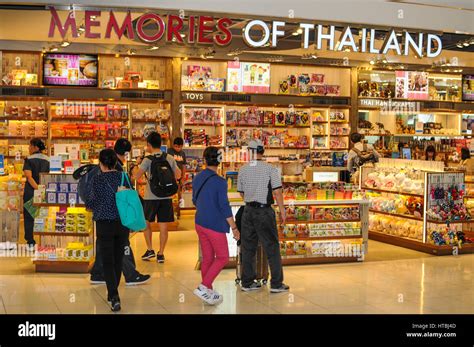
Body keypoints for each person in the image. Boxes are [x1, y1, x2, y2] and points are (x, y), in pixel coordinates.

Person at [89, 139, 150, 286]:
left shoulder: (99, 173)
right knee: (122, 244)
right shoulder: (119, 172)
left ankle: (98, 273)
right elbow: (128, 193)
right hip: (118, 215)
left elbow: (92, 198)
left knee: (103, 243)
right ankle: (130, 275)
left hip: (102, 217)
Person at [237, 139, 289, 293]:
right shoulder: (271, 169)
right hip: (264, 212)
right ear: (262, 151)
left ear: (250, 152)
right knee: (271, 247)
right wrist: (282, 210)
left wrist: (250, 199)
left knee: (248, 247)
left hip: (248, 211)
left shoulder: (243, 169)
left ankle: (247, 282)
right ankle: (276, 284)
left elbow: (241, 192)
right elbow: (278, 192)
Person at [192, 146, 240, 305]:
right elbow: (224, 206)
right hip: (214, 225)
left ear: (204, 160)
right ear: (220, 161)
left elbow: (194, 200)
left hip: (200, 222)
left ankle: (208, 290)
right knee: (222, 257)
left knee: (207, 257)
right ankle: (204, 286)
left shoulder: (198, 177)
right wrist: (234, 227)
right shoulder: (220, 182)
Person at [85, 149, 131, 312]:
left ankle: (114, 295)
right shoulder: (124, 177)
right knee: (118, 258)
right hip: (122, 223)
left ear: (101, 163)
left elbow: (89, 204)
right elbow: (131, 198)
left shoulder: (96, 180)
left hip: (104, 224)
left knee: (107, 260)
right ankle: (114, 292)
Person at [133, 132, 181, 263]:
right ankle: (161, 253)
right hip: (166, 197)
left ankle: (150, 250)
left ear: (148, 144)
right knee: (163, 227)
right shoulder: (169, 157)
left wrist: (137, 165)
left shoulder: (147, 160)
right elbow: (178, 174)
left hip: (150, 197)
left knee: (146, 223)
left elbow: (136, 177)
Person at [23, 138, 50, 248]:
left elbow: (29, 177)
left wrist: (36, 188)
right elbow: (48, 176)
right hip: (43, 190)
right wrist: (41, 189)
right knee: (42, 216)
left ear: (35, 147)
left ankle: (30, 241)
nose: (29, 148)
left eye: (30, 146)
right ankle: (44, 241)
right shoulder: (48, 159)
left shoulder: (29, 159)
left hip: (31, 191)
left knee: (29, 216)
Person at [167, 137, 187, 217]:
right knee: (170, 196)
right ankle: (169, 213)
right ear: (173, 145)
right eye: (176, 146)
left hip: (179, 178)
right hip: (170, 178)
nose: (178, 148)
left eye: (179, 147)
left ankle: (178, 213)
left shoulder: (183, 153)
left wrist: (183, 177)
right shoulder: (169, 151)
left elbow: (184, 166)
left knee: (179, 195)